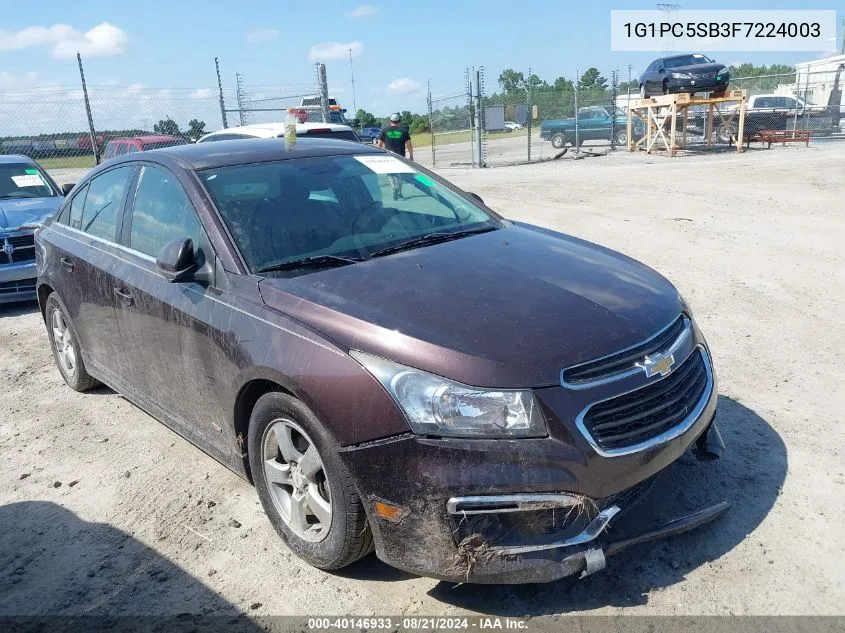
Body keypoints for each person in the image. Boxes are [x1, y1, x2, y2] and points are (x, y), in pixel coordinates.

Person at [377, 113, 414, 200]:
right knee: (399, 174)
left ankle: (394, 187)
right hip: (400, 156)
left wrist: (379, 156)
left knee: (390, 174)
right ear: (399, 121)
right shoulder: (404, 131)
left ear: (391, 121)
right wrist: (411, 156)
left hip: (388, 156)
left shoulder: (384, 130)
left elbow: (379, 145)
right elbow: (409, 145)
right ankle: (400, 192)